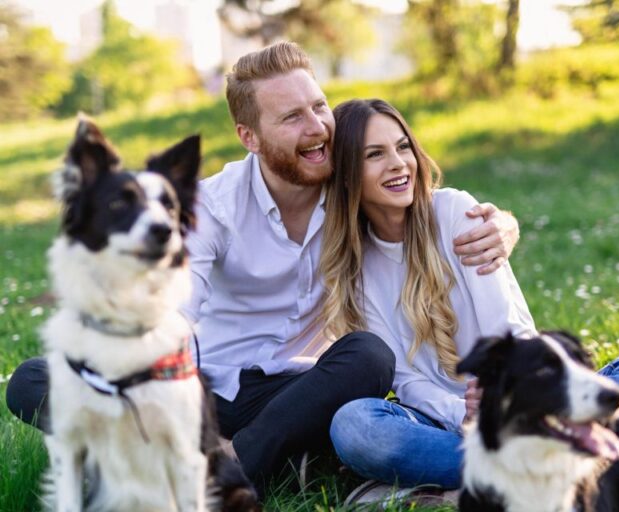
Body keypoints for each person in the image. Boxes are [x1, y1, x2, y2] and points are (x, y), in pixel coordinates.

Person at [5, 42, 520, 490]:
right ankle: (234, 458)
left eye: (319, 106)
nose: (317, 126)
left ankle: (224, 468)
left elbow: (423, 210)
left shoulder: (351, 195)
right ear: (249, 136)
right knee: (32, 380)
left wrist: (503, 225)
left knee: (368, 356)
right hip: (205, 388)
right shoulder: (212, 206)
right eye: (292, 117)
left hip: (301, 391)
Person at [320, 99, 619, 493]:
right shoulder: (355, 269)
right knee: (355, 426)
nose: (397, 163)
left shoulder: (456, 212)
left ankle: (495, 479)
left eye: (403, 147)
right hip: (446, 424)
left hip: (528, 402)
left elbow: (505, 327)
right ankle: (559, 468)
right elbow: (406, 382)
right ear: (349, 175)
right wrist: (462, 413)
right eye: (375, 155)